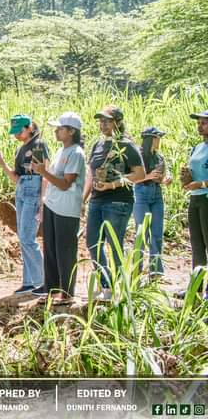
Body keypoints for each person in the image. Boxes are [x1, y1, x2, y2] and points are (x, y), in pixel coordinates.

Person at [83, 106, 145, 301]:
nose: (103, 124)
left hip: (118, 201)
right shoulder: (98, 145)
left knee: (114, 243)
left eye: (107, 121)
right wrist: (83, 199)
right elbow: (91, 174)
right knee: (93, 242)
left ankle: (121, 289)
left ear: (117, 122)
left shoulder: (127, 145)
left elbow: (140, 174)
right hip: (96, 200)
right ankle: (106, 285)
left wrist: (111, 185)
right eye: (101, 121)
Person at [32, 113, 86, 303]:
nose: (56, 131)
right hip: (52, 204)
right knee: (51, 249)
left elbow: (65, 184)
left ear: (71, 131)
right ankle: (52, 289)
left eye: (60, 128)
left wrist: (43, 172)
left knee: (65, 250)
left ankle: (68, 293)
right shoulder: (60, 151)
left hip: (67, 208)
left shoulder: (76, 153)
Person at [0, 114, 49, 295]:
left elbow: (46, 171)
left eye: (19, 131)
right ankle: (29, 282)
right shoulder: (21, 150)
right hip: (22, 189)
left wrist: (42, 198)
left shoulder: (39, 145)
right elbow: (16, 178)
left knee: (28, 238)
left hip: (34, 190)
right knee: (24, 237)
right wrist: (1, 161)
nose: (17, 135)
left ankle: (44, 281)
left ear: (29, 127)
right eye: (15, 132)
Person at [133, 127, 170, 277]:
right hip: (141, 193)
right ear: (150, 139)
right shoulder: (138, 156)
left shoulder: (159, 157)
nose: (159, 141)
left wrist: (165, 179)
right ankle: (137, 268)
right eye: (157, 138)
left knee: (157, 232)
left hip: (156, 193)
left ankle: (155, 270)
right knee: (141, 233)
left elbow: (160, 177)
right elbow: (132, 178)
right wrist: (147, 176)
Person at [181, 110, 208, 298]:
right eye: (199, 123)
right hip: (195, 198)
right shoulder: (197, 147)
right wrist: (187, 179)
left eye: (204, 123)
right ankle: (195, 289)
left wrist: (203, 183)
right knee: (197, 245)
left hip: (206, 198)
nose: (200, 126)